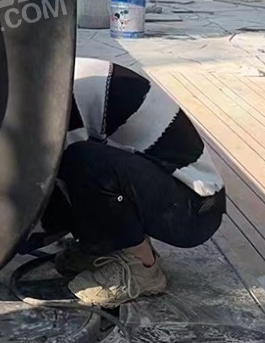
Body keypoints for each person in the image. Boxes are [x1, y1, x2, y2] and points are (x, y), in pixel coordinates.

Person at [37, 57, 225, 308]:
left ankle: (142, 269)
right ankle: (105, 249)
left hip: (193, 209)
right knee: (75, 167)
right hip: (170, 193)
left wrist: (9, 244)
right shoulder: (48, 74)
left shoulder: (54, 96)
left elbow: (53, 182)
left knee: (81, 161)